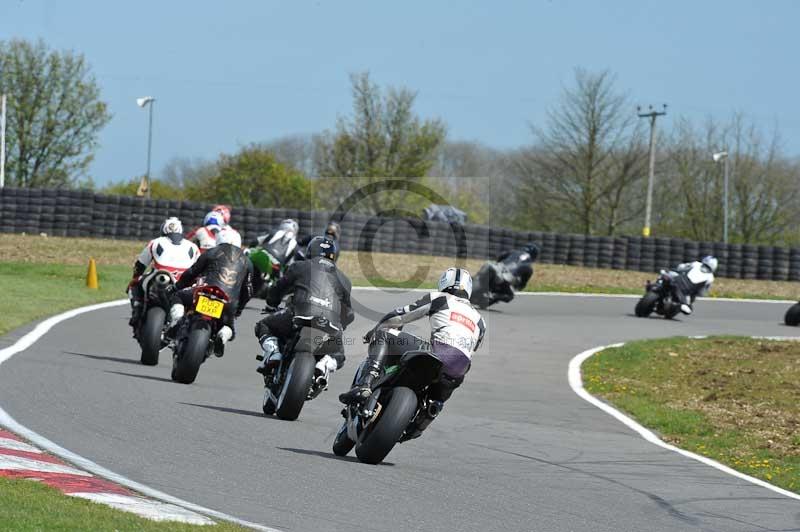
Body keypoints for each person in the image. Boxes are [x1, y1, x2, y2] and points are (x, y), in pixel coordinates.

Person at [339, 268, 486, 440]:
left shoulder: (439, 299)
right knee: (438, 397)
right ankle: (426, 418)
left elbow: (400, 316)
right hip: (458, 369)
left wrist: (375, 330)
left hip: (438, 353)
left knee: (384, 335)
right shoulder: (480, 321)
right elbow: (471, 350)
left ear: (444, 282)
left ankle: (365, 384)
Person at [254, 236, 353, 382]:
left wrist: (271, 305)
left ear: (310, 251)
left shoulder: (299, 266)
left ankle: (274, 352)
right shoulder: (345, 280)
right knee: (338, 355)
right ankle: (325, 363)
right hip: (330, 323)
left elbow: (279, 288)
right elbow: (349, 313)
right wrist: (340, 325)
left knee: (264, 325)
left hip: (299, 314)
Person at [167, 227, 253, 356]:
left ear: (219, 239)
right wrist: (238, 309)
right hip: (228, 302)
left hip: (204, 292)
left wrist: (177, 287)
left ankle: (177, 320)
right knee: (229, 328)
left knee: (178, 296)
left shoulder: (212, 251)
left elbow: (192, 272)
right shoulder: (248, 262)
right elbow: (248, 291)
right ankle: (223, 335)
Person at [127, 217, 199, 331]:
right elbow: (198, 268)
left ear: (163, 230)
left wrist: (135, 277)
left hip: (160, 276)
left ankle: (137, 309)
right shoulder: (193, 247)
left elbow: (140, 264)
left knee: (134, 285)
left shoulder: (155, 242)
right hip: (183, 282)